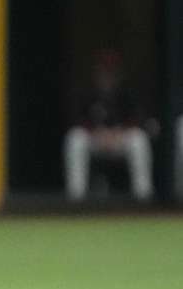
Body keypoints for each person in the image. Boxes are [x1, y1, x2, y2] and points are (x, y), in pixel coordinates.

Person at [63, 48, 153, 202]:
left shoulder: (126, 92)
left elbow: (139, 118)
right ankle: (76, 198)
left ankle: (143, 197)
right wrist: (96, 133)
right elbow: (76, 119)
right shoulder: (87, 92)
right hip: (95, 139)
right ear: (97, 71)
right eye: (104, 69)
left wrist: (119, 133)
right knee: (75, 139)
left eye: (111, 70)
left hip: (121, 139)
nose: (107, 74)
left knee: (139, 140)